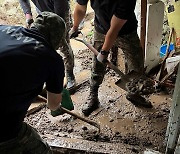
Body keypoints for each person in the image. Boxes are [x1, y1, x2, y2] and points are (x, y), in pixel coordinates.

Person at [0, 11, 72, 154]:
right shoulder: (52, 59)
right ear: (56, 39)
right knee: (41, 149)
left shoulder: (3, 28)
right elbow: (53, 105)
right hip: (3, 130)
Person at [70, 0, 153, 116]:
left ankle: (134, 93)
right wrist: (74, 27)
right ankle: (93, 94)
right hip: (101, 29)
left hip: (126, 31)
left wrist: (104, 52)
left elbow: (114, 30)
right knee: (97, 64)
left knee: (136, 65)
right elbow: (80, 8)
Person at [19, 0, 76, 90]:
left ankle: (69, 74)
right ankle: (48, 78)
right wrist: (28, 16)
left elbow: (60, 9)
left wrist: (58, 31)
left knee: (63, 45)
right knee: (43, 47)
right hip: (42, 13)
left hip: (60, 13)